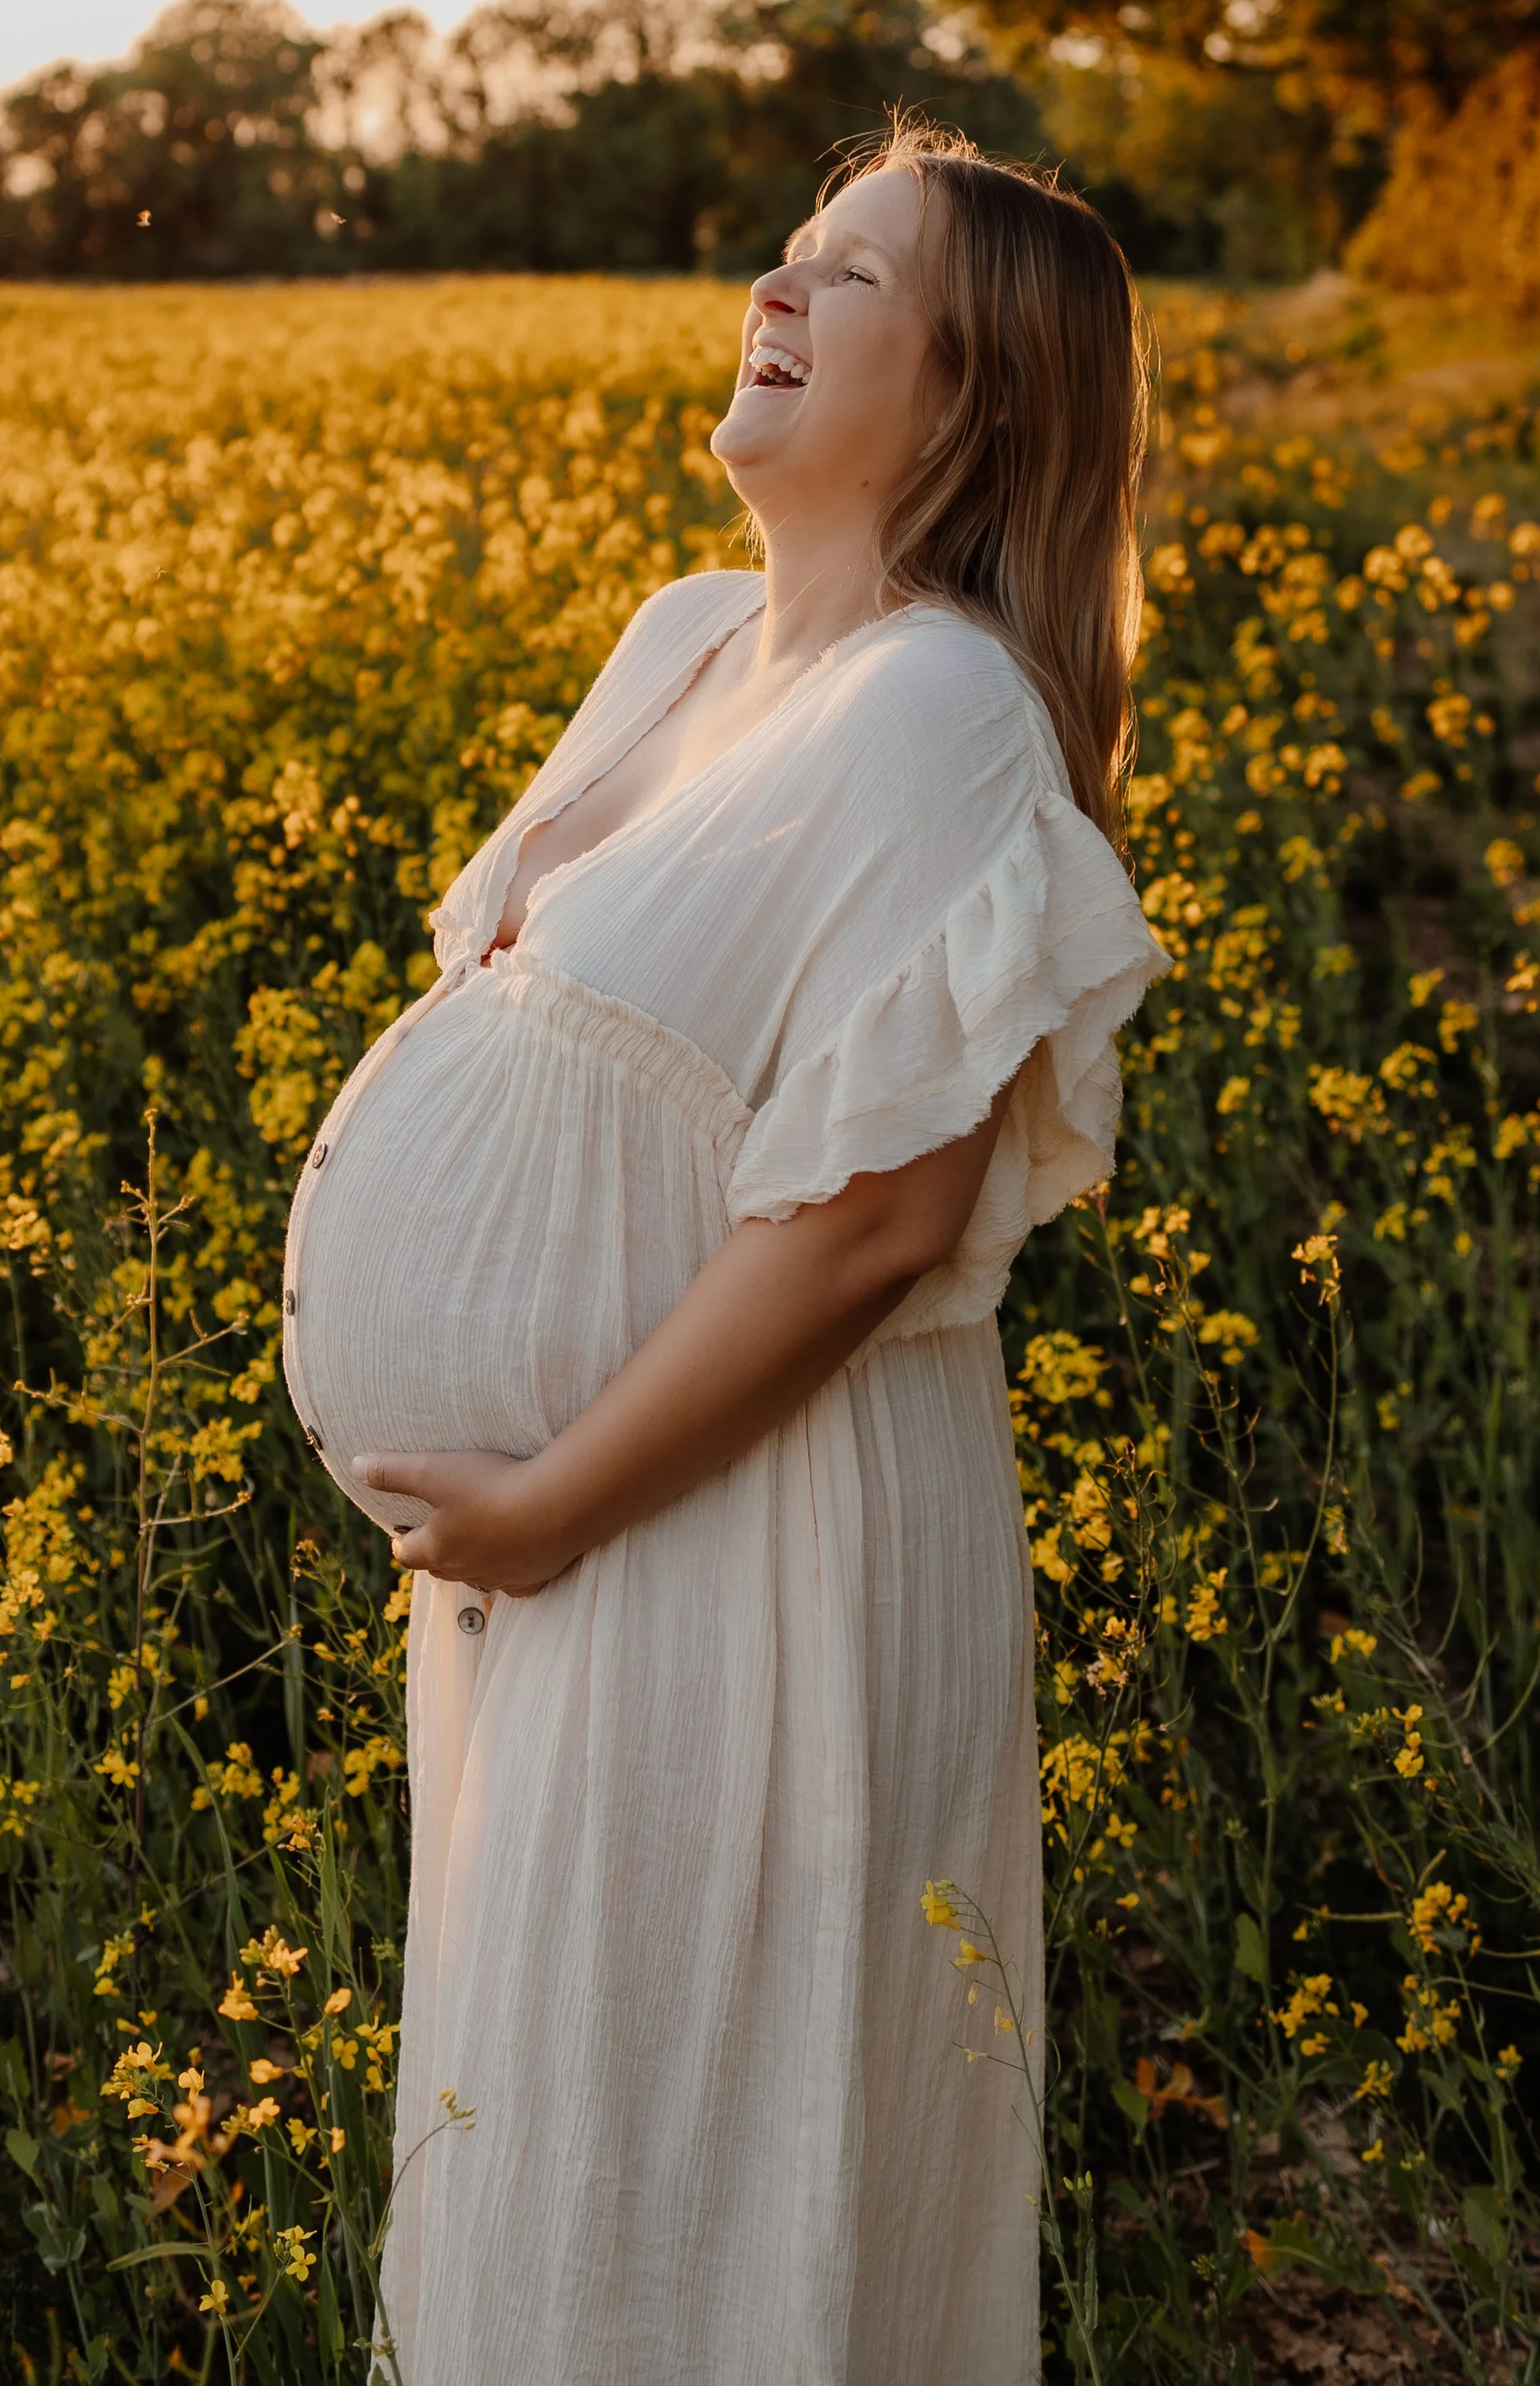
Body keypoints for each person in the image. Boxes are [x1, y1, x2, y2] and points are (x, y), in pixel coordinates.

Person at [280, 120, 1168, 2385]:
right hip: (577, 1541)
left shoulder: (948, 710)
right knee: (564, 2139)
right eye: (781, 253)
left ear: (976, 387)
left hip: (723, 1529)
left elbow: (877, 1213)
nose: (772, 290)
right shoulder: (685, 645)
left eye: (845, 275)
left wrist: (560, 1498)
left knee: (688, 2170)